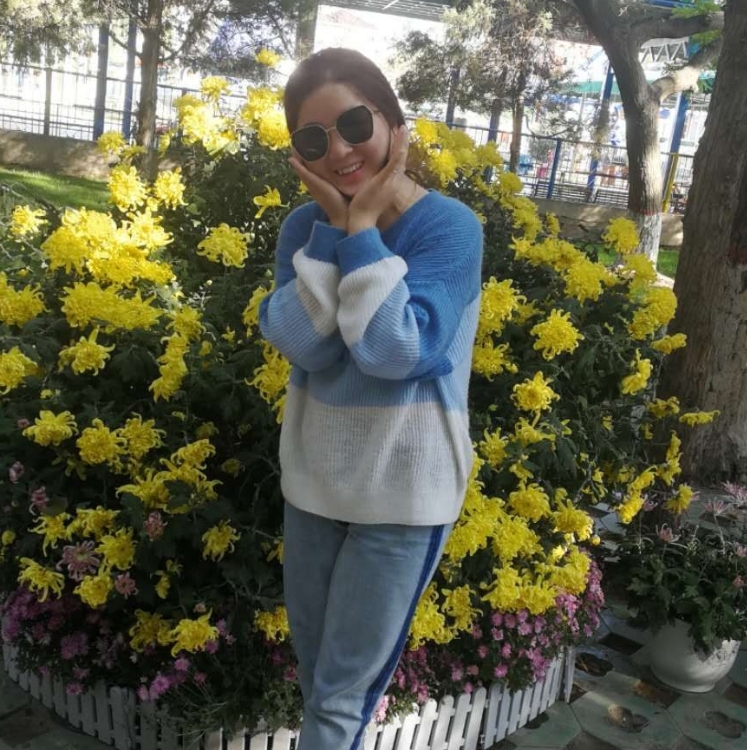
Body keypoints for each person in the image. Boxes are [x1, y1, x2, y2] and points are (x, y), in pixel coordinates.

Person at [259, 47, 483, 749]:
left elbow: (398, 350)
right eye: (313, 139)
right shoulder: (304, 230)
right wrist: (332, 230)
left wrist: (361, 234)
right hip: (316, 486)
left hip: (401, 498)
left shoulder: (449, 228)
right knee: (318, 680)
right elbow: (306, 344)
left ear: (392, 123)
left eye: (355, 125)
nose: (339, 150)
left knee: (340, 703)